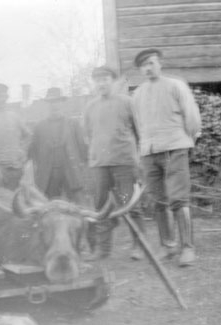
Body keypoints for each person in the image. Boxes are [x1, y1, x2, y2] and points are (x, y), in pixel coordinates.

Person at [132, 48, 201, 267]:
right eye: (144, 65)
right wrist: (143, 149)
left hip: (174, 148)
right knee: (158, 201)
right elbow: (138, 125)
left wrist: (186, 141)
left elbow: (192, 117)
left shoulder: (175, 86)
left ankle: (187, 248)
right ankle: (167, 245)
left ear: (160, 64)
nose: (148, 68)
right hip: (149, 152)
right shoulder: (138, 94)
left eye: (151, 63)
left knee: (179, 199)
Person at [84, 65, 146, 261]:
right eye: (98, 80)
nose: (101, 84)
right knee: (101, 208)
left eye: (105, 79)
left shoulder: (127, 102)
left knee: (131, 205)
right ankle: (103, 249)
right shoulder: (90, 107)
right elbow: (88, 135)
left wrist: (139, 160)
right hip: (100, 165)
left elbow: (140, 133)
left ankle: (139, 246)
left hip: (124, 163)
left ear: (114, 81)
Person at [29, 87, 87, 202]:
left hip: (71, 173)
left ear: (62, 103)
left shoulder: (73, 124)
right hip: (48, 175)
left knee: (78, 205)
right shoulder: (39, 127)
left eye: (57, 101)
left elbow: (82, 148)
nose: (54, 105)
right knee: (50, 206)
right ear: (47, 105)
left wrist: (81, 170)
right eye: (51, 102)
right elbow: (33, 151)